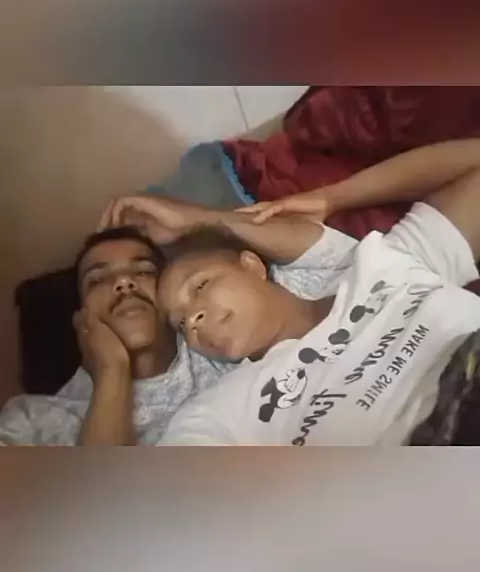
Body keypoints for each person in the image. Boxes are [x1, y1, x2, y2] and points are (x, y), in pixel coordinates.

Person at [145, 138, 480, 446]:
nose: (193, 319)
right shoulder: (225, 410)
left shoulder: (384, 264)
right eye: (180, 323)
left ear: (252, 265)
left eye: (200, 286)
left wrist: (332, 198)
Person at [0, 206, 356, 445]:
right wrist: (112, 373)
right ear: (80, 316)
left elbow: (336, 262)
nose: (124, 283)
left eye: (143, 271)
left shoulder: (223, 331)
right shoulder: (32, 421)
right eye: (97, 280)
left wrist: (199, 219)